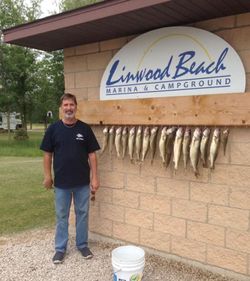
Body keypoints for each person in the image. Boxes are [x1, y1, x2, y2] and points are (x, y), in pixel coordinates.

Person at [40, 93, 100, 264]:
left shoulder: (84, 129)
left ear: (76, 107)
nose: (68, 108)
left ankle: (82, 245)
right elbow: (47, 155)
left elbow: (92, 155)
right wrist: (47, 176)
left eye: (71, 105)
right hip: (61, 184)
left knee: (82, 214)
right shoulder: (53, 129)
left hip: (82, 183)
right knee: (62, 216)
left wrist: (95, 178)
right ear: (61, 108)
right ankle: (60, 249)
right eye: (65, 105)